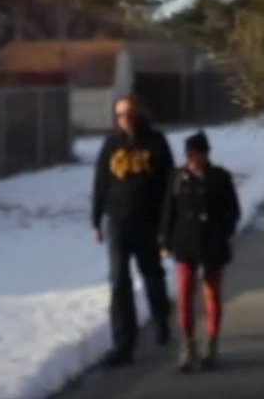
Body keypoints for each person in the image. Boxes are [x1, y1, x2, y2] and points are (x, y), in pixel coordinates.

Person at [91, 93, 175, 368]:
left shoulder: (156, 142)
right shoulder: (111, 144)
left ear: (139, 114)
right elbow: (101, 182)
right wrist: (96, 219)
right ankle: (123, 344)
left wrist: (166, 225)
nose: (124, 120)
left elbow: (169, 186)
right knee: (119, 281)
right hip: (117, 221)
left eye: (128, 114)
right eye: (119, 115)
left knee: (152, 274)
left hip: (147, 221)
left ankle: (161, 318)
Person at [160, 130, 242, 372]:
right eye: (190, 155)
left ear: (206, 154)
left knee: (212, 295)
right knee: (185, 296)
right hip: (185, 243)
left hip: (212, 244)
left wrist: (222, 231)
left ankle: (212, 345)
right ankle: (189, 345)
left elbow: (233, 211)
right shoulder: (177, 178)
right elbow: (168, 212)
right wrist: (165, 241)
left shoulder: (220, 177)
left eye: (197, 154)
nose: (193, 160)